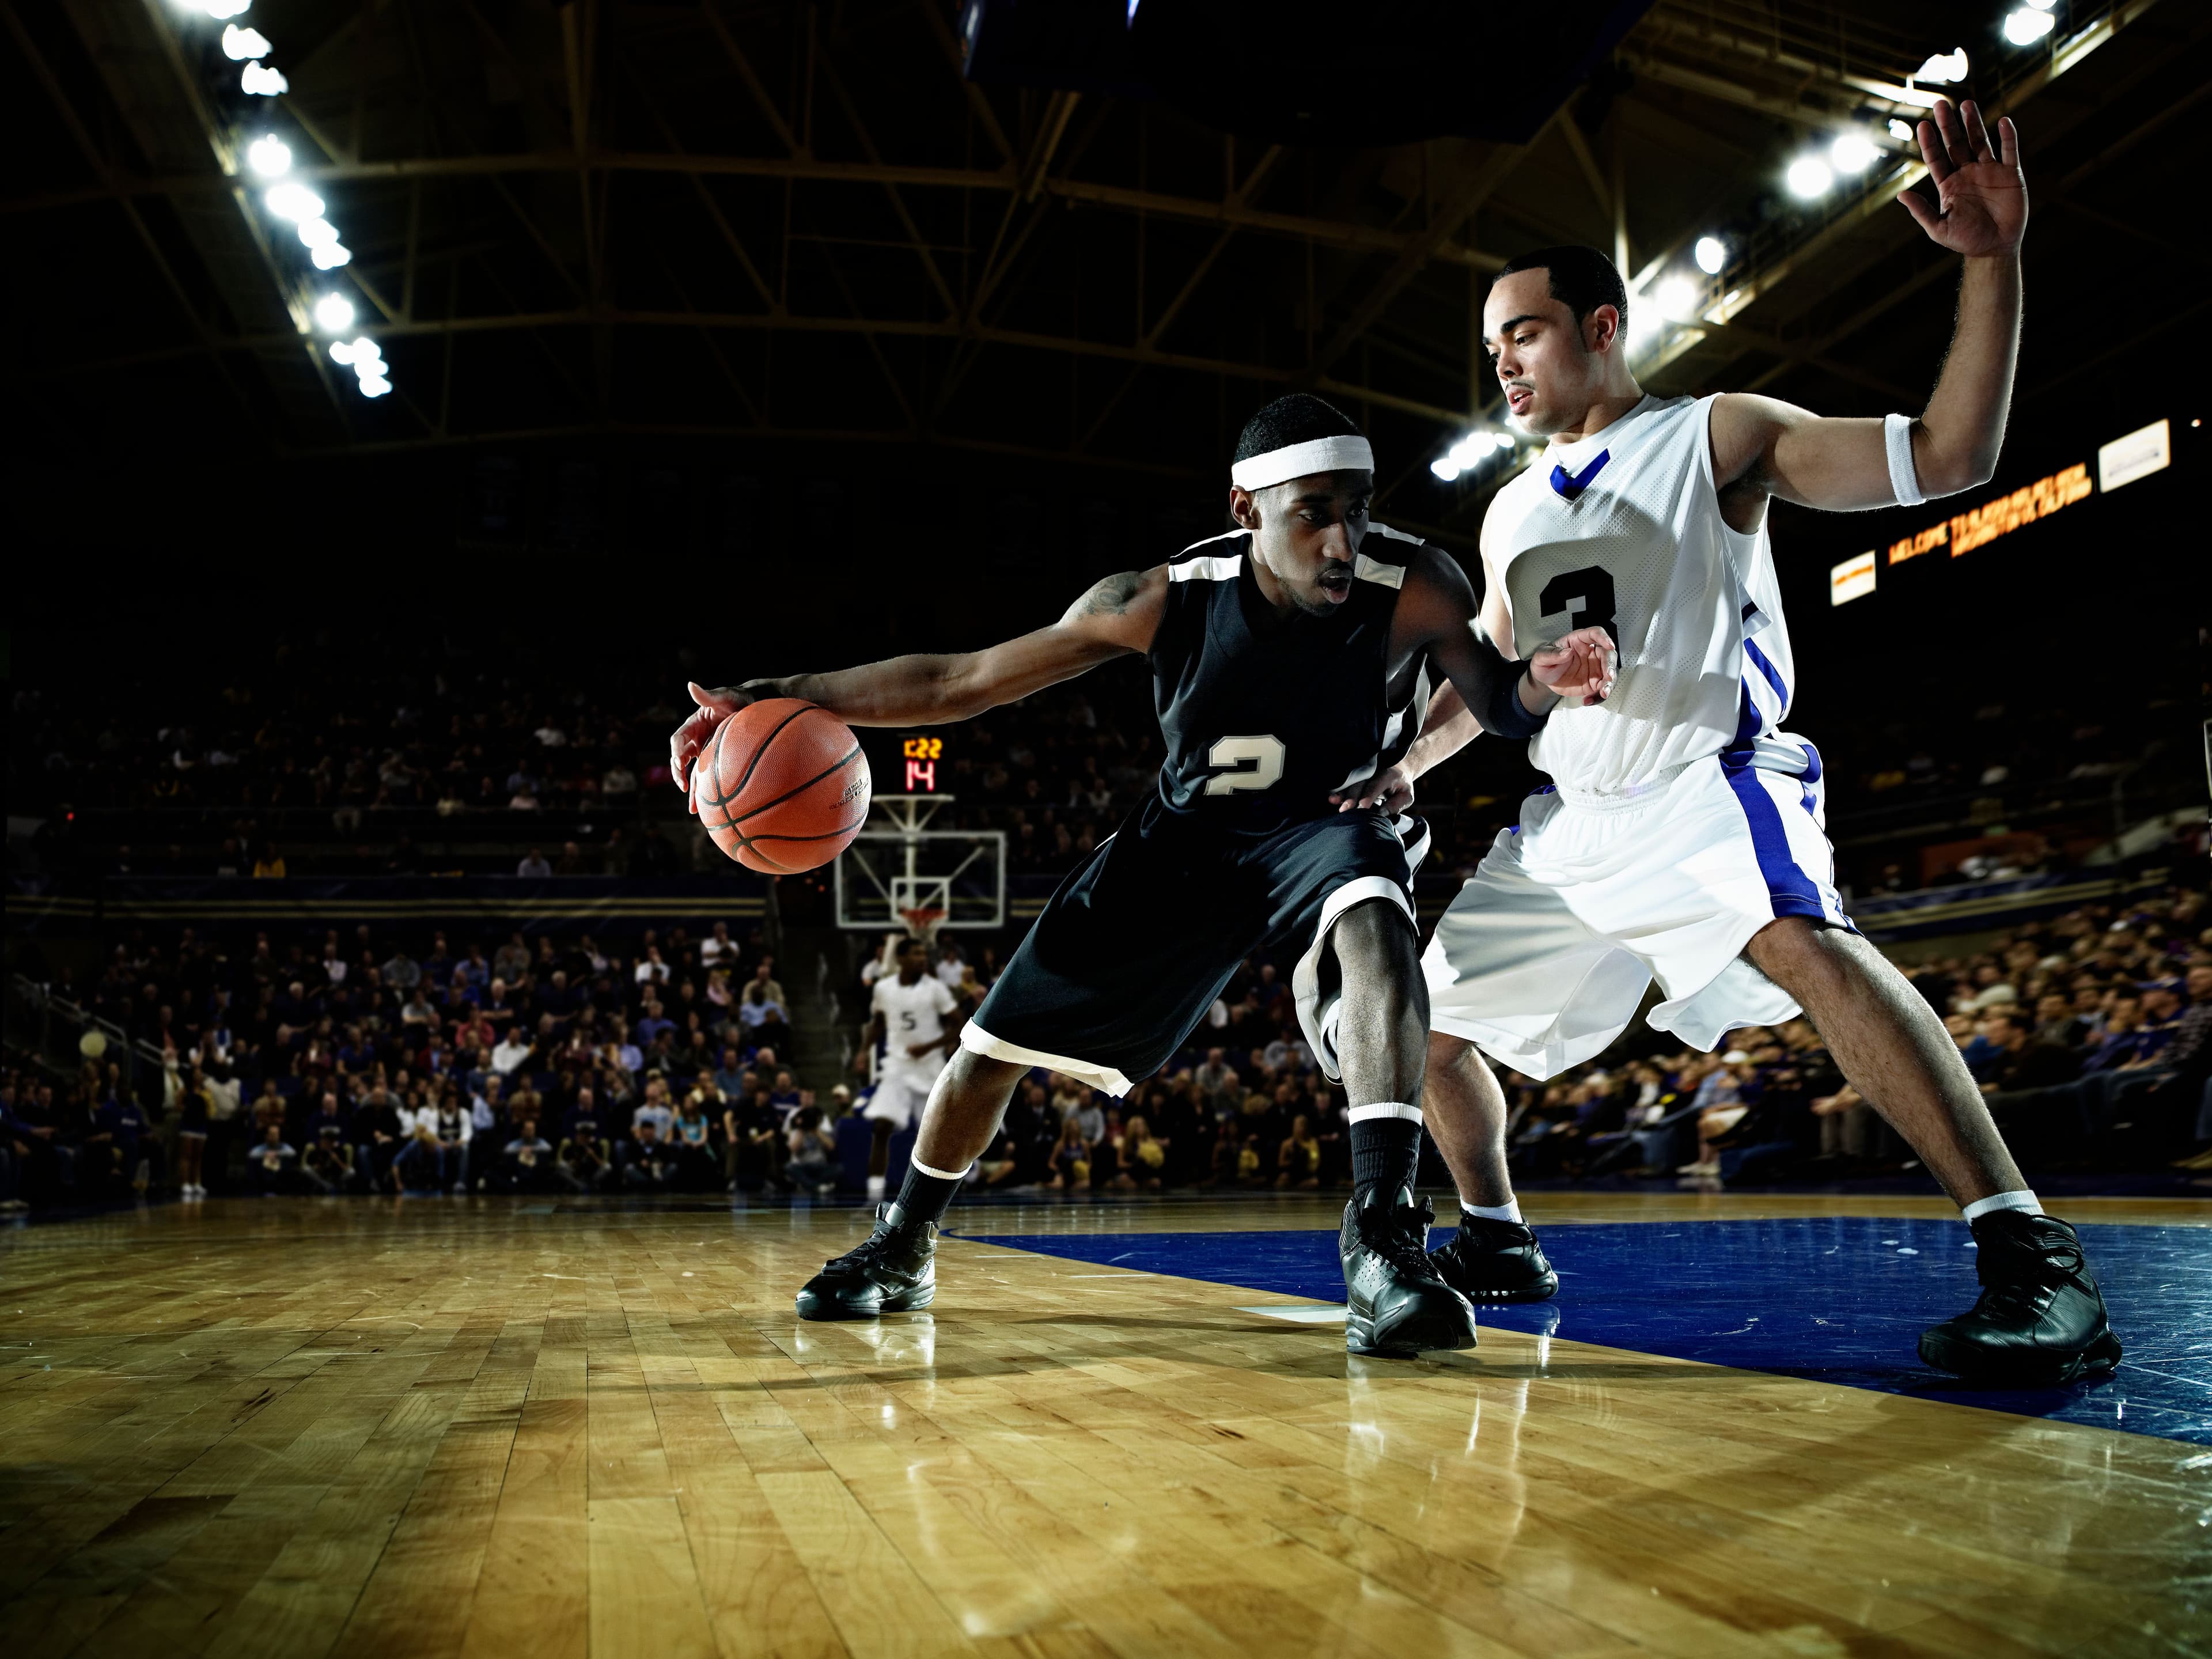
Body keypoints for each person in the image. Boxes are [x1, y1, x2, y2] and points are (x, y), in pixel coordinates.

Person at [1339, 101, 2116, 1382]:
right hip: (1572, 816)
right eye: (1491, 348)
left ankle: (2035, 1260)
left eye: (1523, 333)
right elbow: (1481, 682)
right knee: (1425, 1031)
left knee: (1801, 942)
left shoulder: (1717, 433)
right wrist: (1399, 769)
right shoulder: (1510, 506)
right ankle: (1498, 1236)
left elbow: (1952, 453)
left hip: (1705, 777)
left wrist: (1991, 261)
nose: (1505, 366)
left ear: (1602, 327)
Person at [671, 391, 1611, 1357]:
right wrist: (782, 695)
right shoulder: (1163, 598)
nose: (1342, 539)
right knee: (990, 1050)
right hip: (1185, 845)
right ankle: (903, 1241)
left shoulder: (1415, 583)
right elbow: (963, 681)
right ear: (1247, 511)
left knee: (1376, 919)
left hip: (1328, 825)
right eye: (1312, 513)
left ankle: (1383, 1239)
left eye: (1357, 508)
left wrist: (1545, 678)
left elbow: (1497, 705)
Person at [858, 937, 963, 1199]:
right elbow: (878, 1023)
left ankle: (943, 1193)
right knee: (881, 1128)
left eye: (924, 955)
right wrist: (863, 1051)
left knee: (937, 1136)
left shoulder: (936, 989)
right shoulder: (883, 988)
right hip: (897, 1066)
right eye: (916, 954)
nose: (922, 959)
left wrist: (928, 1046)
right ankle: (874, 1195)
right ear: (901, 959)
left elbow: (959, 1026)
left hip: (929, 1067)